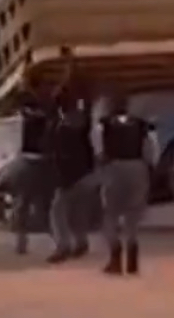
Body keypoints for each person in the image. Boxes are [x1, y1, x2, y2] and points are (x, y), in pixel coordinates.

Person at [98, 94, 153, 274]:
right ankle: (132, 260)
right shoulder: (141, 125)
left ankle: (115, 256)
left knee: (110, 215)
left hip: (114, 168)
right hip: (137, 168)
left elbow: (98, 150)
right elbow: (151, 150)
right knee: (132, 216)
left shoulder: (104, 125)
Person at [47, 90, 96, 263]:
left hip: (70, 177)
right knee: (79, 212)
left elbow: (61, 157)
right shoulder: (83, 121)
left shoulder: (60, 129)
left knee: (57, 213)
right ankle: (81, 243)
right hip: (87, 175)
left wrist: (61, 180)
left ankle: (63, 246)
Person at [12, 83, 56, 256]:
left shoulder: (34, 113)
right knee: (42, 204)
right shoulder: (48, 114)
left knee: (26, 203)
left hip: (32, 161)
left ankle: (22, 242)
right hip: (41, 161)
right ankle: (56, 240)